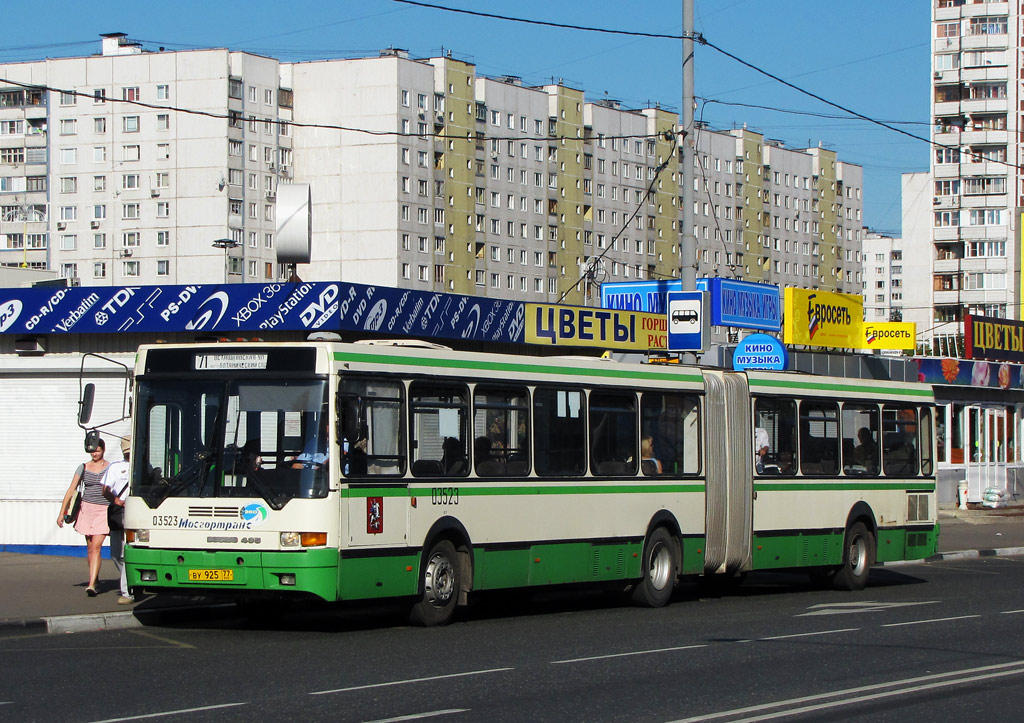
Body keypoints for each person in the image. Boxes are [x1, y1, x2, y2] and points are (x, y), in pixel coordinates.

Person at [57, 437, 111, 596]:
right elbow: (71, 489)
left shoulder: (110, 467)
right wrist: (62, 513)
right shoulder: (83, 467)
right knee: (89, 548)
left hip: (103, 510)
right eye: (92, 450)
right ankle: (96, 579)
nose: (95, 453)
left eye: (98, 450)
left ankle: (92, 584)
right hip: (86, 509)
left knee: (96, 547)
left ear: (103, 450)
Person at [103, 436, 134, 605]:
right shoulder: (115, 467)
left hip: (135, 510)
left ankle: (127, 590)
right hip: (118, 511)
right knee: (116, 554)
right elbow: (105, 489)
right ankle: (131, 580)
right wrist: (116, 501)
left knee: (125, 552)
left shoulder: (144, 465)